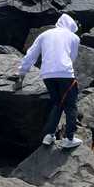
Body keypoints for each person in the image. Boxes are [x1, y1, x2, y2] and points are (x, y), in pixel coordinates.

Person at [14, 14, 82, 149]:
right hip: (65, 74)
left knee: (57, 103)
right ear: (71, 25)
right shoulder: (74, 37)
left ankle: (49, 135)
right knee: (70, 106)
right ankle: (69, 138)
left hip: (47, 75)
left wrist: (22, 73)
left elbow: (31, 54)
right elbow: (72, 58)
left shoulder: (44, 35)